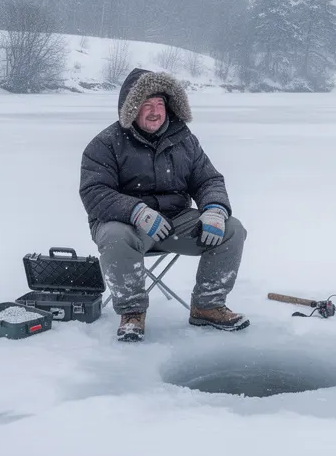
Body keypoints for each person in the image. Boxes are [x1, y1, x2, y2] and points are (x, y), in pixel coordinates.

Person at [79, 67, 249, 341]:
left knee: (232, 229)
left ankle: (207, 306)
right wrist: (136, 211)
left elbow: (208, 180)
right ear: (131, 108)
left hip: (175, 221)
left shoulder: (185, 140)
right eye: (146, 105)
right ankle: (132, 313)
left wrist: (215, 209)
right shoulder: (105, 144)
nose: (155, 112)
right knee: (114, 235)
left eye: (159, 104)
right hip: (126, 227)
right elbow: (94, 192)